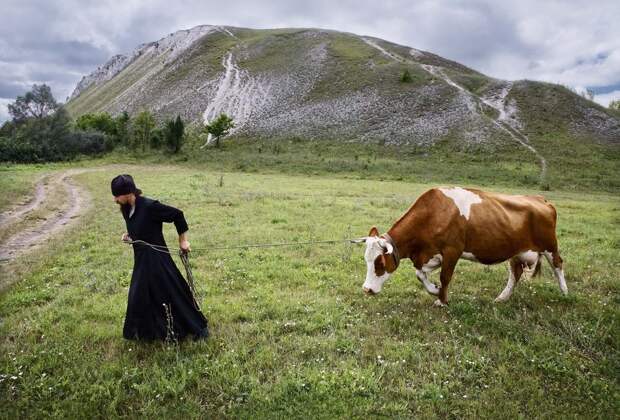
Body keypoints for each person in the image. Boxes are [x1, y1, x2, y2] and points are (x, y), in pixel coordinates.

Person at [111, 174, 209, 341]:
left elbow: (178, 215)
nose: (115, 199)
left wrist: (183, 241)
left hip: (158, 260)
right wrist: (130, 236)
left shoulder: (149, 206)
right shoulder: (127, 209)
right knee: (140, 295)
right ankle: (149, 331)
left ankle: (198, 328)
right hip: (142, 260)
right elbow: (140, 230)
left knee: (171, 292)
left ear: (128, 193)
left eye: (117, 195)